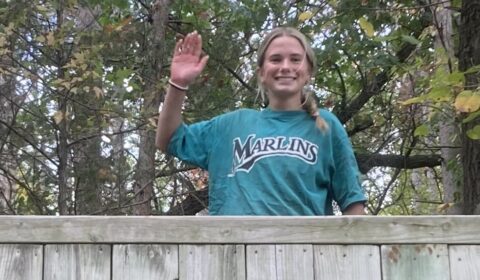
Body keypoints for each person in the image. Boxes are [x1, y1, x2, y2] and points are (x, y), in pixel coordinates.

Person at [156, 27, 366, 215]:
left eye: (295, 59)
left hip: (302, 254)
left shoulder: (325, 125)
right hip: (234, 253)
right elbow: (169, 138)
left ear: (308, 72)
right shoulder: (230, 126)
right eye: (276, 59)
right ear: (262, 73)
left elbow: (353, 203)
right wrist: (178, 83)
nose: (285, 66)